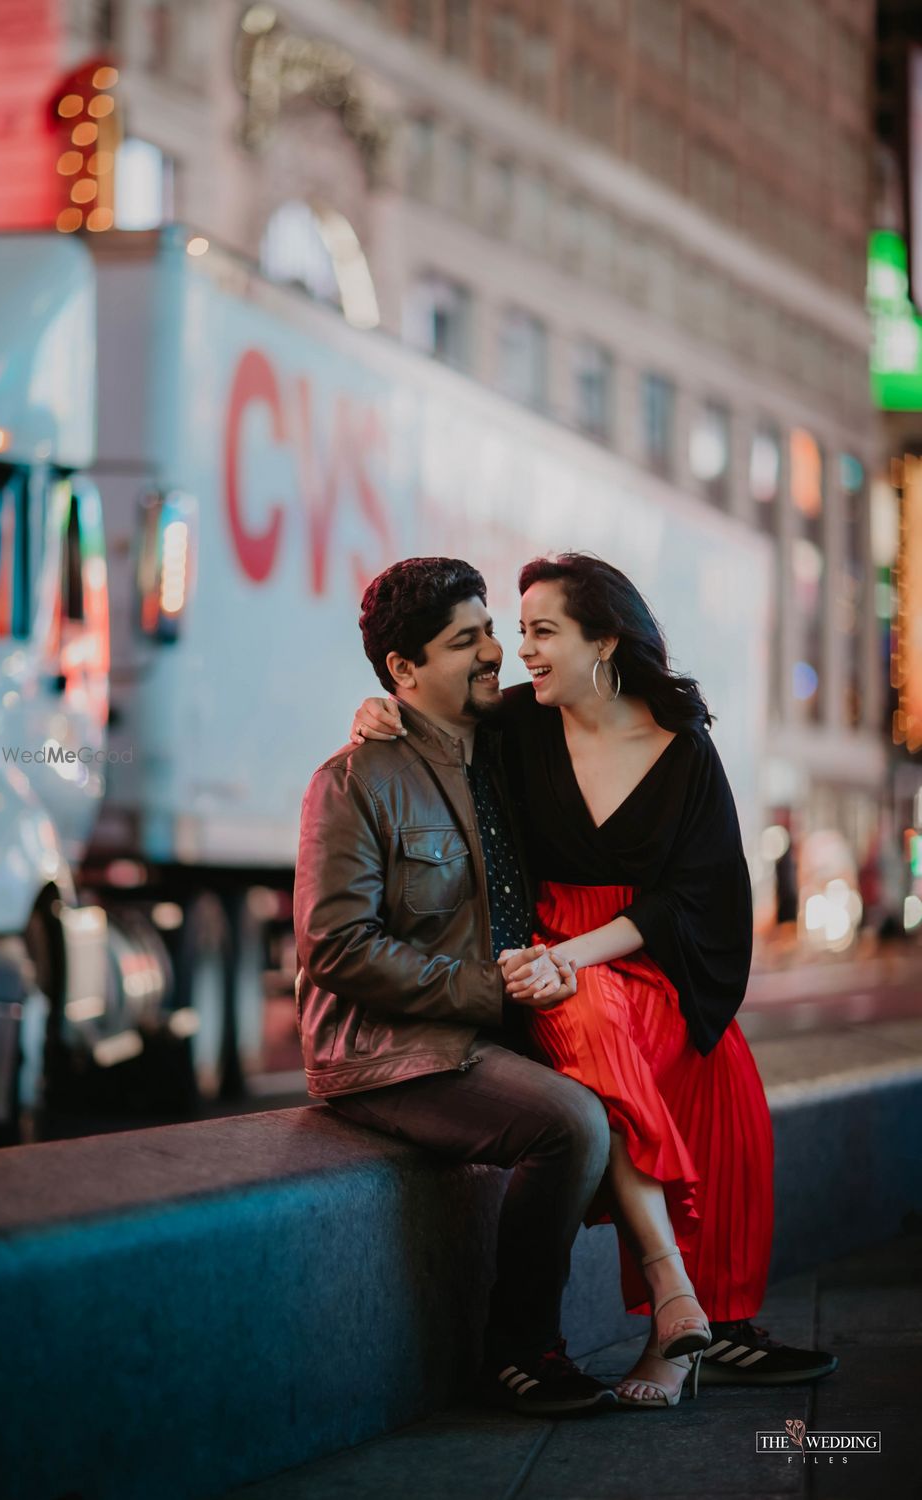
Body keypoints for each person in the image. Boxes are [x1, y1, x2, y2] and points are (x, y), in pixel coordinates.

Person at [351, 552, 837, 1407]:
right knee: (597, 1018)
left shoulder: (683, 748)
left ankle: (707, 1332)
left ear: (603, 640)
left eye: (541, 631)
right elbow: (429, 714)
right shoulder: (514, 726)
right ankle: (672, 1297)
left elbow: (696, 894)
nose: (518, 652)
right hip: (549, 964)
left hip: (647, 954)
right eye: (518, 630)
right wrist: (375, 710)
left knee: (725, 1082)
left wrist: (584, 952)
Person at [293, 556, 617, 1416]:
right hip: (394, 1052)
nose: (493, 653)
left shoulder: (510, 750)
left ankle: (696, 1323)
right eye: (464, 641)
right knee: (572, 1124)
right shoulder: (354, 779)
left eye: (491, 633)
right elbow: (335, 945)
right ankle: (518, 1353)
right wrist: (487, 992)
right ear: (402, 671)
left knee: (646, 1084)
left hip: (496, 1030)